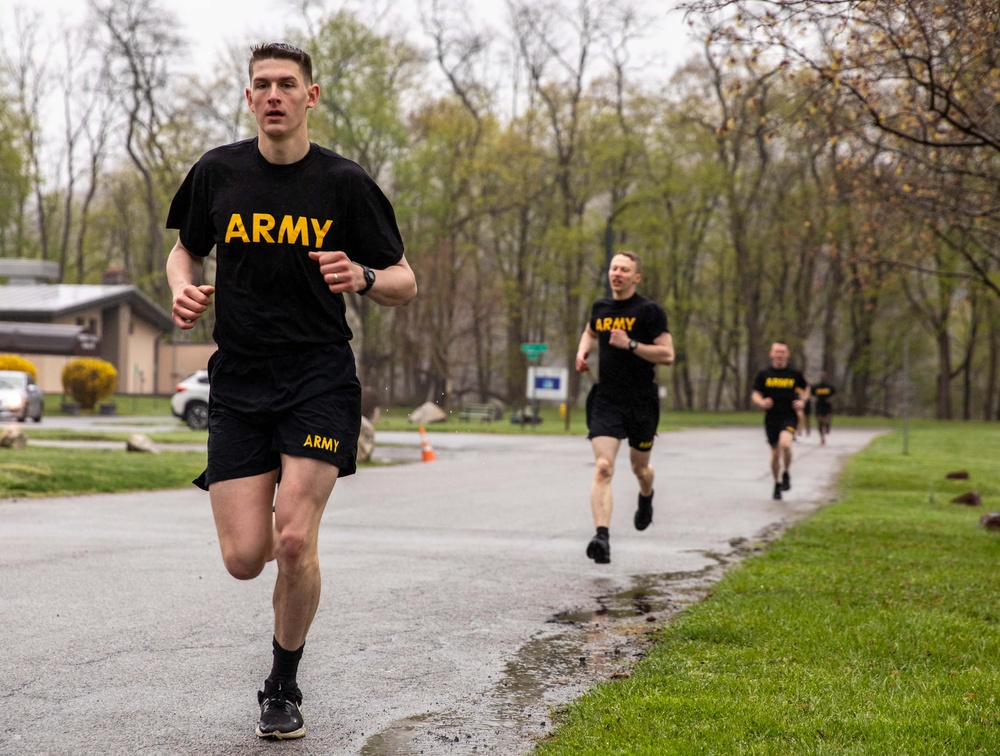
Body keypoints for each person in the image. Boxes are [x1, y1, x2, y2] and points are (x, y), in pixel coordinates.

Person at [165, 42, 417, 740]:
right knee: (246, 557)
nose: (274, 94)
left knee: (295, 540)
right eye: (261, 85)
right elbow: (183, 248)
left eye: (287, 84)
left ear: (312, 96)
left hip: (318, 375)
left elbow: (404, 279)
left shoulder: (343, 183)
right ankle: (280, 571)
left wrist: (362, 277)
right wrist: (183, 289)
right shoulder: (218, 173)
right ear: (249, 100)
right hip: (241, 378)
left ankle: (282, 682)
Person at [575, 252, 674, 564]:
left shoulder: (649, 311)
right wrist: (583, 352)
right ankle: (601, 537)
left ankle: (646, 497)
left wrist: (630, 344)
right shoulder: (600, 308)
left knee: (639, 469)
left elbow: (668, 354)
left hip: (642, 401)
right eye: (614, 268)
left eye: (625, 269)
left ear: (636, 277)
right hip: (607, 398)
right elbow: (591, 331)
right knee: (604, 467)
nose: (617, 273)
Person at [751, 341, 809, 500]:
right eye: (777, 351)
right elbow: (755, 393)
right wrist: (761, 402)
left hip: (789, 415)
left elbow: (806, 388)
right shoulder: (764, 374)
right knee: (775, 454)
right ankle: (776, 482)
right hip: (771, 417)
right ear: (771, 354)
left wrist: (802, 401)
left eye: (782, 352)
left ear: (787, 354)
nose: (779, 355)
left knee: (785, 444)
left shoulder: (795, 373)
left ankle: (786, 473)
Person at [811, 373, 837, 445]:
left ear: (826, 378)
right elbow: (810, 394)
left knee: (826, 420)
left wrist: (831, 399)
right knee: (819, 422)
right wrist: (813, 399)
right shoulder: (816, 387)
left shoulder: (830, 386)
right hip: (819, 405)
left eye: (824, 377)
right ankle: (822, 438)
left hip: (827, 406)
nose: (822, 378)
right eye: (821, 377)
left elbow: (835, 395)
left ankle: (827, 425)